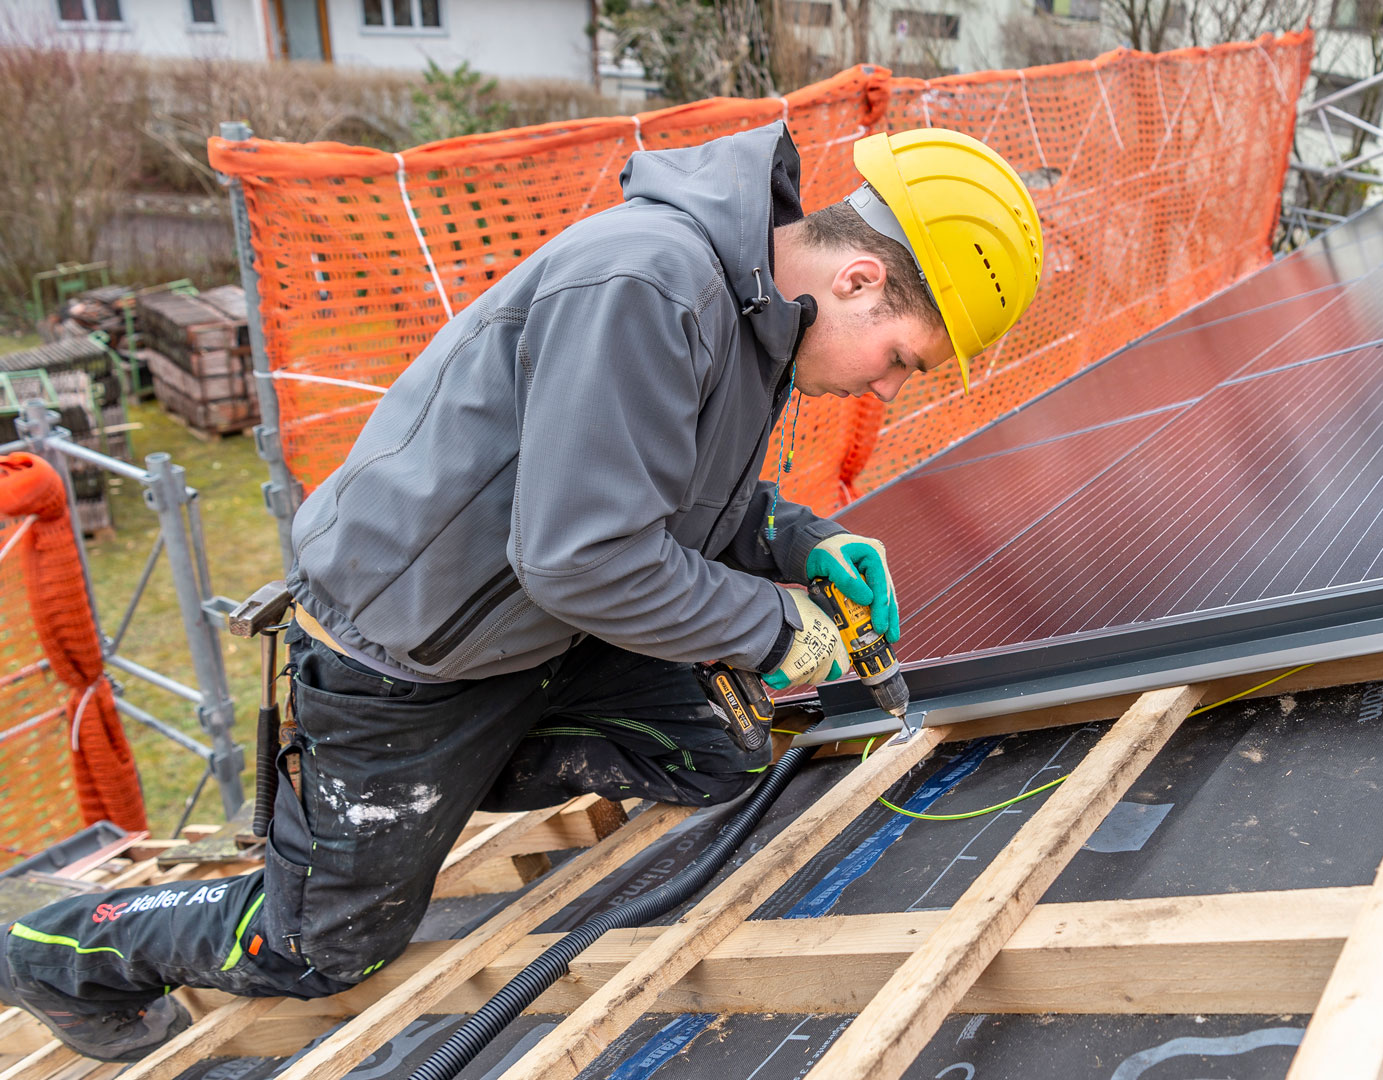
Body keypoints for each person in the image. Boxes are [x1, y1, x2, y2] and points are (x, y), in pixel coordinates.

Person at [0, 120, 1042, 1062]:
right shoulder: (650, 285)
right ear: (860, 279)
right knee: (321, 947)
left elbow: (665, 496)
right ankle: (59, 947)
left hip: (543, 635)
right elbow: (583, 557)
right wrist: (777, 625)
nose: (891, 387)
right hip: (406, 658)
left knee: (719, 745)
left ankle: (448, 783)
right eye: (904, 358)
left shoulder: (759, 313)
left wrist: (797, 541)